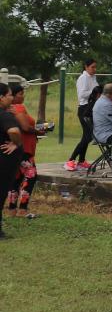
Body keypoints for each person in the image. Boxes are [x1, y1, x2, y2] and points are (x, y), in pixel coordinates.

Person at [5, 83, 49, 218]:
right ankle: (23, 208)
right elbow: (25, 127)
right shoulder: (18, 108)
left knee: (16, 178)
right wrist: (38, 130)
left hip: (17, 148)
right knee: (31, 175)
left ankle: (12, 209)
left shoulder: (8, 109)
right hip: (24, 149)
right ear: (12, 96)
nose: (23, 96)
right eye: (20, 94)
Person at [0, 89, 26, 237]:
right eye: (9, 95)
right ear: (1, 97)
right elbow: (14, 132)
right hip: (4, 162)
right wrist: (17, 143)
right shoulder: (5, 116)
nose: (12, 98)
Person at [66, 57, 99, 171]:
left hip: (91, 108)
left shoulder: (93, 77)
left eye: (95, 67)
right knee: (88, 136)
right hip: (84, 109)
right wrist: (94, 92)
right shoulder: (83, 78)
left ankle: (81, 161)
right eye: (92, 67)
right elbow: (82, 95)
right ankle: (71, 160)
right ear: (86, 67)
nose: (94, 69)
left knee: (87, 136)